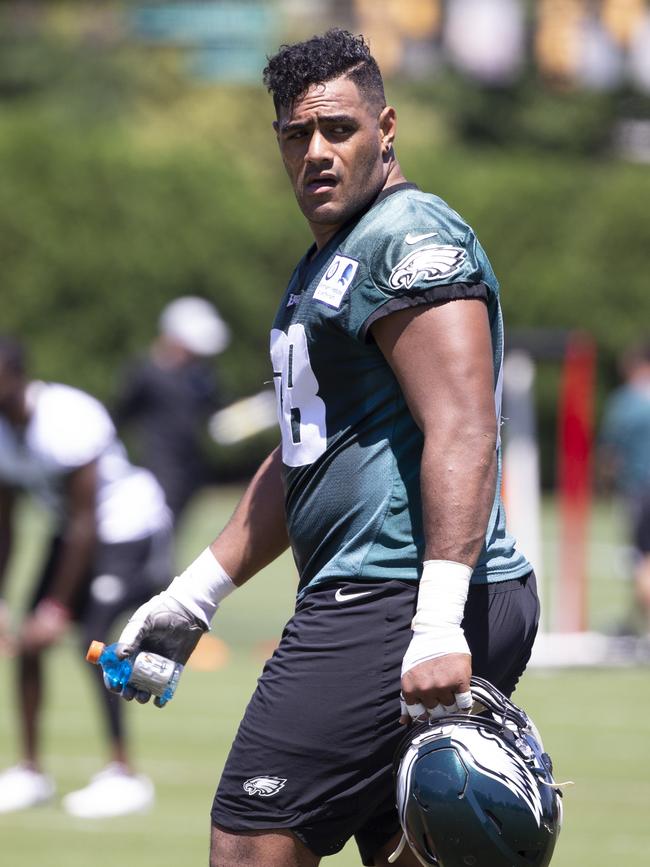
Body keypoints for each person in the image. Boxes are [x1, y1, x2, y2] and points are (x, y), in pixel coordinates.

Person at [107, 29, 538, 867]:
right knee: (405, 849)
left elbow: (465, 427)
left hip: (393, 595)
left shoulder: (408, 236)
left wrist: (438, 619)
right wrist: (195, 595)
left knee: (248, 841)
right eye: (295, 135)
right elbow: (307, 452)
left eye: (337, 128)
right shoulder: (328, 258)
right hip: (386, 596)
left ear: (386, 128)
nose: (316, 152)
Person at [0, 336, 173, 818]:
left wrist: (56, 608)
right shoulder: (0, 431)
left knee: (94, 642)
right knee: (28, 643)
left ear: (14, 376)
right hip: (74, 535)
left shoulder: (67, 418)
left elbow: (86, 521)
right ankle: (30, 771)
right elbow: (5, 522)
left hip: (126, 528)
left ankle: (124, 773)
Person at [113, 296, 230, 524]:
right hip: (156, 472)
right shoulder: (145, 373)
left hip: (190, 473)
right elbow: (119, 417)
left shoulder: (201, 376)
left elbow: (218, 414)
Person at [599, 341, 650, 636]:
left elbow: (609, 454)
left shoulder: (624, 402)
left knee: (643, 558)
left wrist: (605, 486)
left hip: (640, 490)